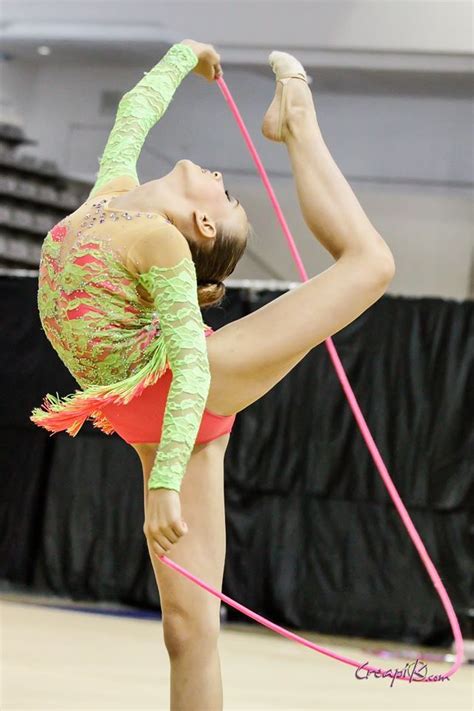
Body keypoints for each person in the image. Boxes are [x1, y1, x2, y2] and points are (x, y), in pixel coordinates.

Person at [31, 39, 395, 710]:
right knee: (186, 627)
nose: (222, 180)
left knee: (370, 263)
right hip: (150, 413)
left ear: (200, 222)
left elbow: (192, 371)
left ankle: (299, 123)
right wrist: (181, 56)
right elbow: (135, 112)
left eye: (226, 197)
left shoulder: (163, 243)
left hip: (188, 393)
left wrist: (165, 483)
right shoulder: (110, 192)